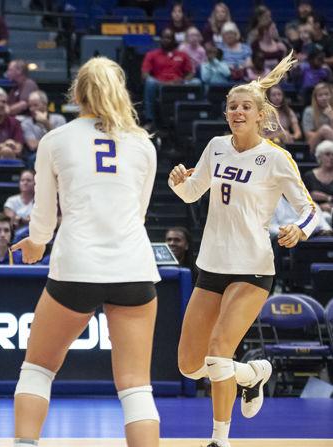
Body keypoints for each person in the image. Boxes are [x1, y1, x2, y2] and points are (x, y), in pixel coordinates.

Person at [9, 56, 161, 447]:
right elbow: (138, 214)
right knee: (136, 387)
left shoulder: (56, 140)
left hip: (76, 266)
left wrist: (36, 243)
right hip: (134, 266)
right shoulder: (143, 144)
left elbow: (44, 217)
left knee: (38, 369)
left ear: (77, 93)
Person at [169, 53, 318, 447]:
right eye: (232, 106)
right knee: (189, 365)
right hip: (212, 266)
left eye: (245, 106)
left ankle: (220, 439)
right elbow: (191, 193)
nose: (237, 111)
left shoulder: (275, 158)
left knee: (219, 351)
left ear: (259, 115)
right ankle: (253, 374)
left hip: (252, 267)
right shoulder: (216, 147)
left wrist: (299, 231)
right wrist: (177, 181)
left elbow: (310, 210)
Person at [21, 90, 66, 167]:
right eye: (30, 106)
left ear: (45, 105)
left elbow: (61, 143)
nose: (32, 109)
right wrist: (52, 142)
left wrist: (46, 123)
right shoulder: (26, 123)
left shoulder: (59, 119)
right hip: (37, 155)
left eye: (35, 105)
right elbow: (33, 145)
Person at [303, 140, 333, 217]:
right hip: (313, 213)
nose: (331, 157)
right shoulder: (309, 176)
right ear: (319, 156)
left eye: (332, 155)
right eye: (327, 154)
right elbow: (302, 200)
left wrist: (328, 198)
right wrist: (319, 207)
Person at [301, 82, 333, 151]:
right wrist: (324, 133)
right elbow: (308, 135)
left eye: (327, 94)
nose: (324, 98)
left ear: (331, 96)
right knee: (325, 129)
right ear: (315, 98)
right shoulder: (309, 111)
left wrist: (332, 118)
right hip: (314, 144)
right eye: (320, 95)